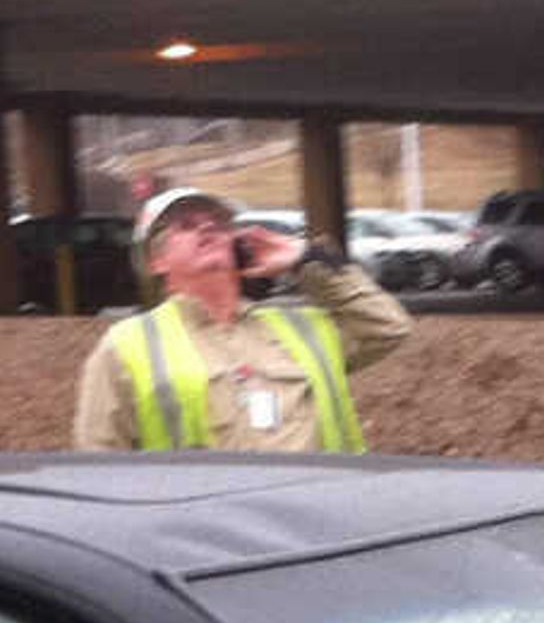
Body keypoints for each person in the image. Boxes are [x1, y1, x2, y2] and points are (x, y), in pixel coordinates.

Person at [73, 187, 415, 454]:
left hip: (320, 529)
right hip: (208, 538)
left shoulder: (302, 328)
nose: (207, 226)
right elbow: (99, 460)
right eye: (186, 225)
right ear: (155, 261)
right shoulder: (126, 346)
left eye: (219, 223)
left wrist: (307, 259)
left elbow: (388, 326)